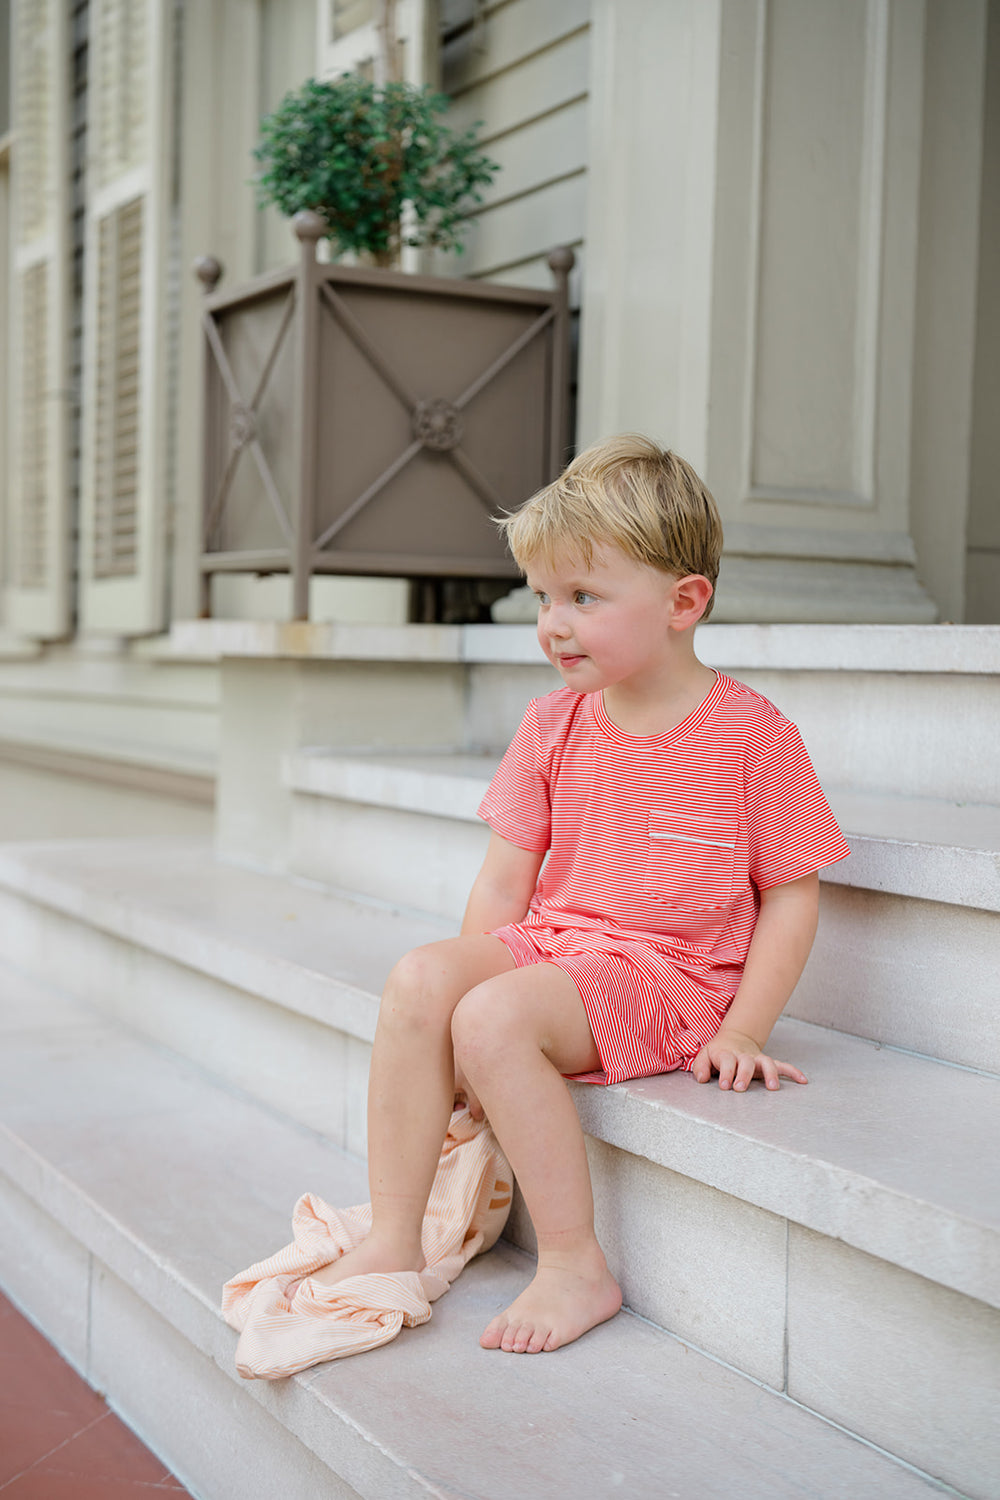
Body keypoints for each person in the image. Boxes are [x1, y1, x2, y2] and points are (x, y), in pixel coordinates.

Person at [307, 434, 850, 1355]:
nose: (553, 624)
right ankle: (395, 1235)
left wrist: (745, 1028)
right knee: (419, 982)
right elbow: (505, 879)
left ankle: (573, 1264)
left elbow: (793, 895)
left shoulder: (752, 735)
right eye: (543, 598)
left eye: (584, 598)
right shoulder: (553, 722)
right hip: (561, 945)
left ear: (685, 603)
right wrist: (455, 1002)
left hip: (673, 977)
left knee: (493, 1023)